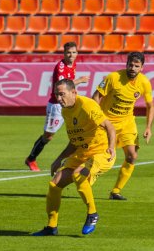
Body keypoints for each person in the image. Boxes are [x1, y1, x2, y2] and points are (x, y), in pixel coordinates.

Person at [33, 79, 116, 236]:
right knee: (54, 184)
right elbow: (74, 141)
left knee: (78, 174)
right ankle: (51, 227)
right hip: (82, 153)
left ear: (74, 92)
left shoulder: (87, 105)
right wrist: (58, 159)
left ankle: (92, 214)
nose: (59, 98)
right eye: (57, 95)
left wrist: (111, 147)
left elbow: (109, 127)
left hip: (101, 152)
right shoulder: (65, 110)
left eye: (62, 94)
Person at [92, 52, 153, 200]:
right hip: (107, 123)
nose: (132, 68)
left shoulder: (144, 82)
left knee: (132, 156)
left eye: (136, 66)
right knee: (99, 156)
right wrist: (97, 118)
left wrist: (148, 127)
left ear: (142, 68)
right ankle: (84, 179)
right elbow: (96, 97)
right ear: (126, 64)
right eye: (130, 64)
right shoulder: (113, 78)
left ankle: (115, 191)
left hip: (127, 123)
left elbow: (150, 105)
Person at [25, 42, 90, 171]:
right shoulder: (60, 67)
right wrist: (80, 81)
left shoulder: (73, 64)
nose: (71, 55)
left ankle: (78, 158)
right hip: (57, 105)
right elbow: (62, 85)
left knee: (80, 129)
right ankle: (31, 159)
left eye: (73, 52)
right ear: (64, 53)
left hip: (70, 103)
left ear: (77, 53)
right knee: (48, 136)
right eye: (68, 52)